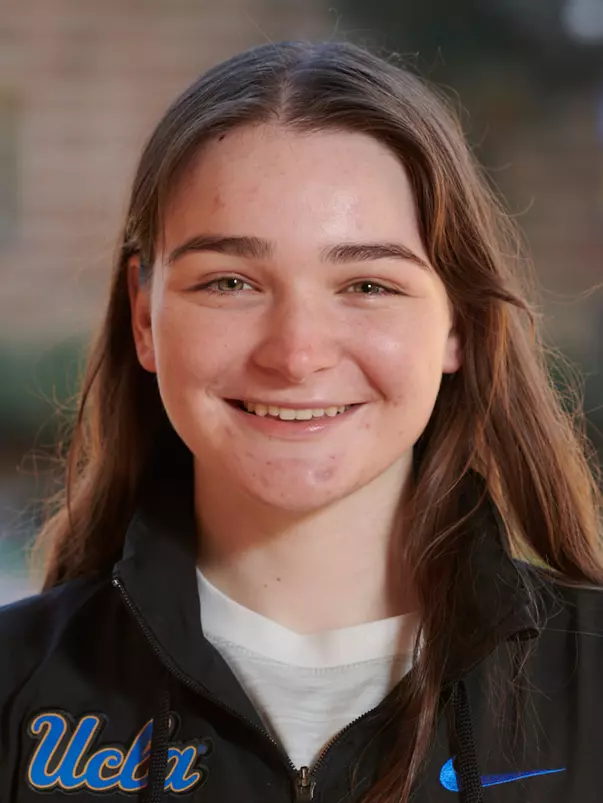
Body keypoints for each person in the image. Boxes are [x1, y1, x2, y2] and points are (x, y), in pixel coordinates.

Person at [0, 40, 602, 803]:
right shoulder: (15, 691)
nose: (296, 354)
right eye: (229, 281)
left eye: (366, 284)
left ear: (458, 323)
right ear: (142, 317)